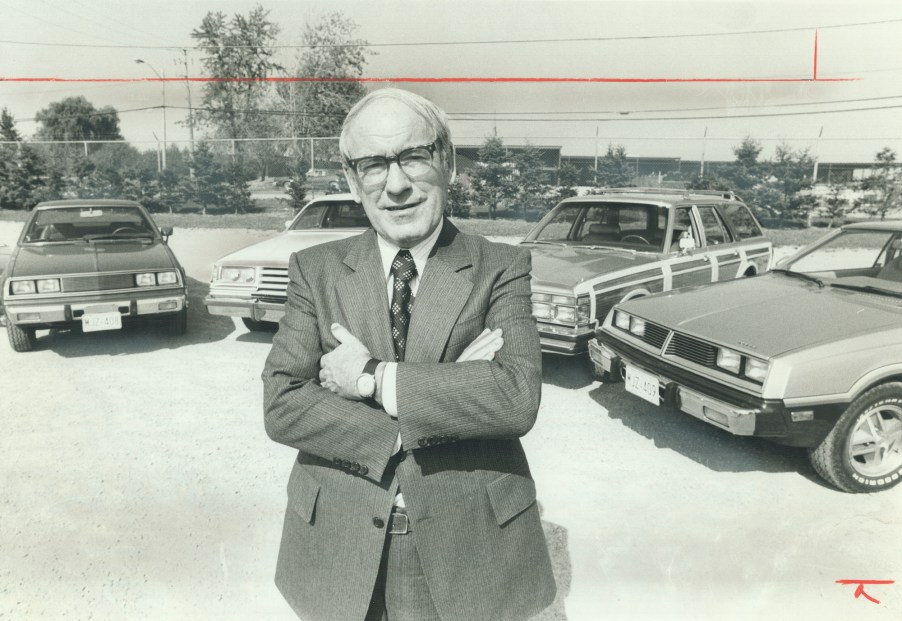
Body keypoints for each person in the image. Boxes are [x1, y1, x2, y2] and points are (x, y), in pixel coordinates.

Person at [262, 88, 556, 621]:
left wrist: (371, 380)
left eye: (413, 157)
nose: (395, 185)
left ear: (445, 161)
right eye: (374, 165)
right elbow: (282, 405)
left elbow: (515, 398)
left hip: (467, 552)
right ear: (353, 180)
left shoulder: (501, 266)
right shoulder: (315, 269)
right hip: (339, 547)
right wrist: (441, 394)